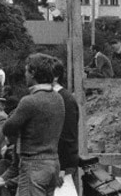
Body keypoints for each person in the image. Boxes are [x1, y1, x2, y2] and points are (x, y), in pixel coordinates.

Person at [3, 53, 65, 196]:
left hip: (33, 164)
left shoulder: (29, 101)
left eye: (26, 71)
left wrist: (14, 113)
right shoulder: (58, 98)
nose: (25, 74)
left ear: (33, 73)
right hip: (53, 162)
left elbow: (7, 128)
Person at [51, 57, 80, 190]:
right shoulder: (53, 97)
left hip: (64, 164)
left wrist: (62, 168)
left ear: (55, 76)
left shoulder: (66, 99)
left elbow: (68, 136)